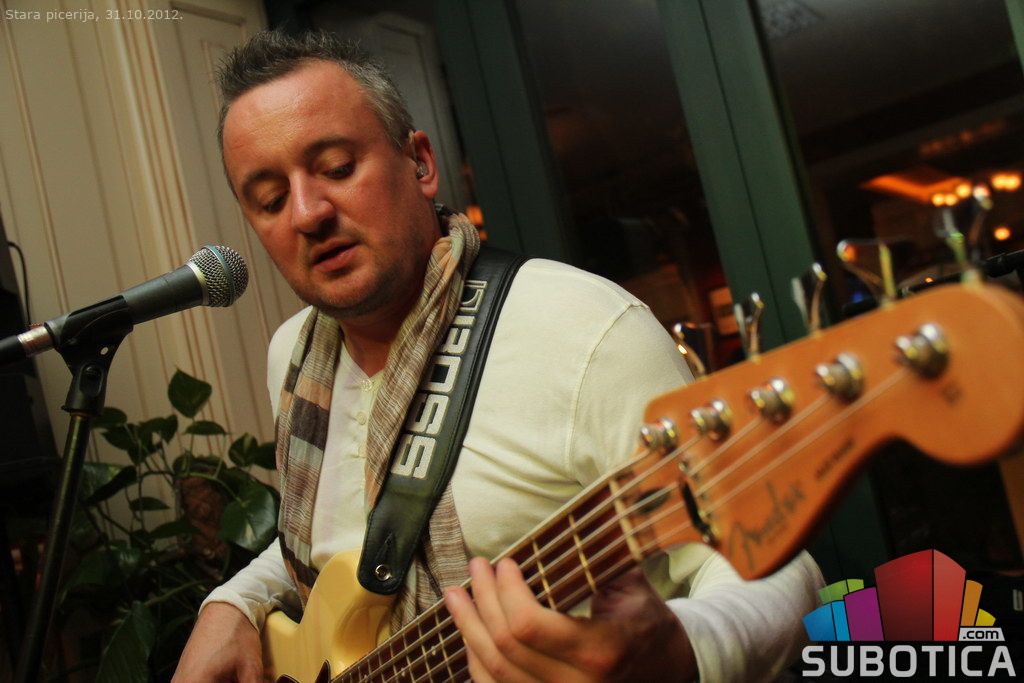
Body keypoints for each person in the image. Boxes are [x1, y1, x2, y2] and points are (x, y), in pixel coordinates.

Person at [173, 30, 823, 683]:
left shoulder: (585, 327)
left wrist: (682, 651)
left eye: (338, 167)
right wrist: (233, 602)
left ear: (420, 163)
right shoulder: (292, 355)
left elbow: (774, 562)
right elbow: (341, 537)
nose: (307, 212)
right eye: (270, 199)